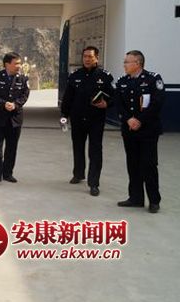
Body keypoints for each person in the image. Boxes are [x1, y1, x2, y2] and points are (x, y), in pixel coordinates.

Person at [115, 50, 165, 213]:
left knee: (148, 164)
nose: (124, 65)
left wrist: (139, 120)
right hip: (129, 130)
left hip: (148, 130)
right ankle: (135, 198)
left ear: (137, 63)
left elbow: (157, 103)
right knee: (133, 164)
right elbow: (119, 104)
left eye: (127, 62)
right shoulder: (122, 81)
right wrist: (129, 119)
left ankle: (154, 200)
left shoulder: (153, 79)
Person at [61, 46, 114, 196]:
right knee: (78, 147)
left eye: (90, 57)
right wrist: (64, 115)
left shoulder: (104, 76)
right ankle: (78, 174)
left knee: (95, 150)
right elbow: (68, 98)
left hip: (96, 119)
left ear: (97, 58)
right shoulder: (75, 76)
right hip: (78, 118)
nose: (87, 59)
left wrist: (106, 104)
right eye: (85, 56)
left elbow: (113, 96)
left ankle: (94, 183)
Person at [0, 52, 30, 185]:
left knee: (12, 147)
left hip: (15, 118)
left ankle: (8, 173)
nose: (19, 66)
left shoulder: (23, 78)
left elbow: (25, 95)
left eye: (19, 63)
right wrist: (3, 103)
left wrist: (16, 104)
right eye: (16, 63)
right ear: (7, 64)